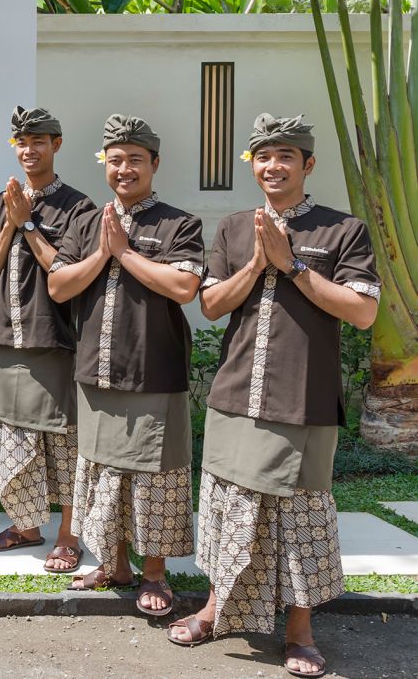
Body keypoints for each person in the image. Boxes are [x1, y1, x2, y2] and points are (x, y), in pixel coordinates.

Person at [168, 114, 379, 679]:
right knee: (227, 510)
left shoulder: (343, 231)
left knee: (300, 516)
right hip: (236, 395)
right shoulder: (235, 228)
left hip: (304, 401)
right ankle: (215, 610)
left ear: (308, 164)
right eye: (263, 156)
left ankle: (300, 632)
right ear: (253, 165)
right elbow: (211, 306)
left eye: (286, 155)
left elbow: (361, 311)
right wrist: (260, 262)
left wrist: (293, 266)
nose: (273, 165)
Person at [48, 114, 204, 619]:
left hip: (153, 370)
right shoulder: (86, 221)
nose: (124, 169)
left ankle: (154, 572)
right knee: (103, 473)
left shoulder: (179, 223)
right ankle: (115, 565)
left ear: (154, 164)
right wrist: (103, 254)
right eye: (115, 160)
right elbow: (59, 285)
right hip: (96, 369)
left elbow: (184, 287)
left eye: (135, 160)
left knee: (154, 476)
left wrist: (125, 254)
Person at [0, 107, 95, 574]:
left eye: (39, 141)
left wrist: (28, 223)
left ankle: (68, 535)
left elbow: (65, 274)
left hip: (54, 339)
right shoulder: (4, 201)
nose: (29, 150)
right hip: (7, 335)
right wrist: (9, 222)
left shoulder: (77, 207)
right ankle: (26, 526)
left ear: (56, 145)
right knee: (15, 438)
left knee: (61, 441)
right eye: (22, 143)